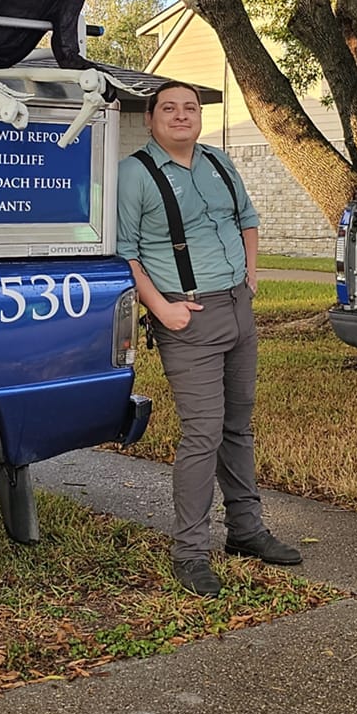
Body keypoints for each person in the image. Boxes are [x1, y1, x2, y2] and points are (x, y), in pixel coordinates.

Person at [117, 81, 302, 596]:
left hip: (238, 309)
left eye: (190, 108)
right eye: (169, 108)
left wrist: (251, 274)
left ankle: (246, 532)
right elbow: (124, 252)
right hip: (188, 317)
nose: (182, 115)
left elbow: (247, 220)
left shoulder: (219, 163)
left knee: (238, 427)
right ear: (151, 119)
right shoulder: (134, 174)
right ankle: (190, 552)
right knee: (203, 434)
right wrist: (162, 310)